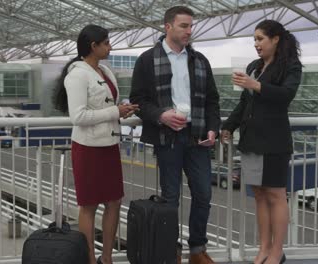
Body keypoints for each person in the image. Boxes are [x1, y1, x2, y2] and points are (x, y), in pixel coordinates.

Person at [129, 6, 221, 264]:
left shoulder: (200, 60)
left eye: (191, 26)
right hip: (166, 137)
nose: (189, 31)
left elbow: (212, 100)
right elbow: (138, 100)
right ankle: (171, 251)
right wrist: (161, 115)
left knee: (204, 193)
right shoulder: (147, 59)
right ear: (167, 26)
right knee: (170, 197)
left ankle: (197, 250)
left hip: (198, 136)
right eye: (184, 26)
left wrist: (213, 128)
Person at [53, 24, 138, 264]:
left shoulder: (105, 71)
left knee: (114, 201)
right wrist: (114, 111)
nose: (110, 47)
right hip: (88, 148)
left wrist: (122, 111)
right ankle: (90, 259)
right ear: (93, 46)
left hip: (109, 145)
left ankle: (107, 258)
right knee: (88, 205)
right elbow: (78, 117)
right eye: (107, 43)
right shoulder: (77, 75)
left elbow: (107, 107)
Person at [221, 20, 302, 264]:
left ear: (275, 38)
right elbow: (245, 103)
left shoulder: (290, 65)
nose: (256, 44)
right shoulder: (254, 66)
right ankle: (264, 248)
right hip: (251, 140)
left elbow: (286, 96)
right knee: (258, 194)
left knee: (276, 194)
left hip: (274, 141)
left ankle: (277, 252)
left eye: (260, 39)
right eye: (254, 40)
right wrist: (228, 126)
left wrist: (254, 84)